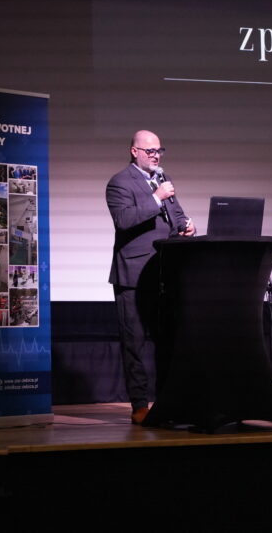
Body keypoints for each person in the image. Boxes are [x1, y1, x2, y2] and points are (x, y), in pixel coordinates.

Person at [106, 130, 195, 424]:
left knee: (166, 340)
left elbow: (176, 215)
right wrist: (156, 198)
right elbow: (124, 220)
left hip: (163, 273)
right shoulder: (120, 182)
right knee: (134, 344)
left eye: (159, 150)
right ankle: (140, 405)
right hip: (132, 275)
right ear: (135, 151)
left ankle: (167, 401)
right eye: (150, 151)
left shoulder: (162, 179)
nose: (156, 155)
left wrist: (186, 226)